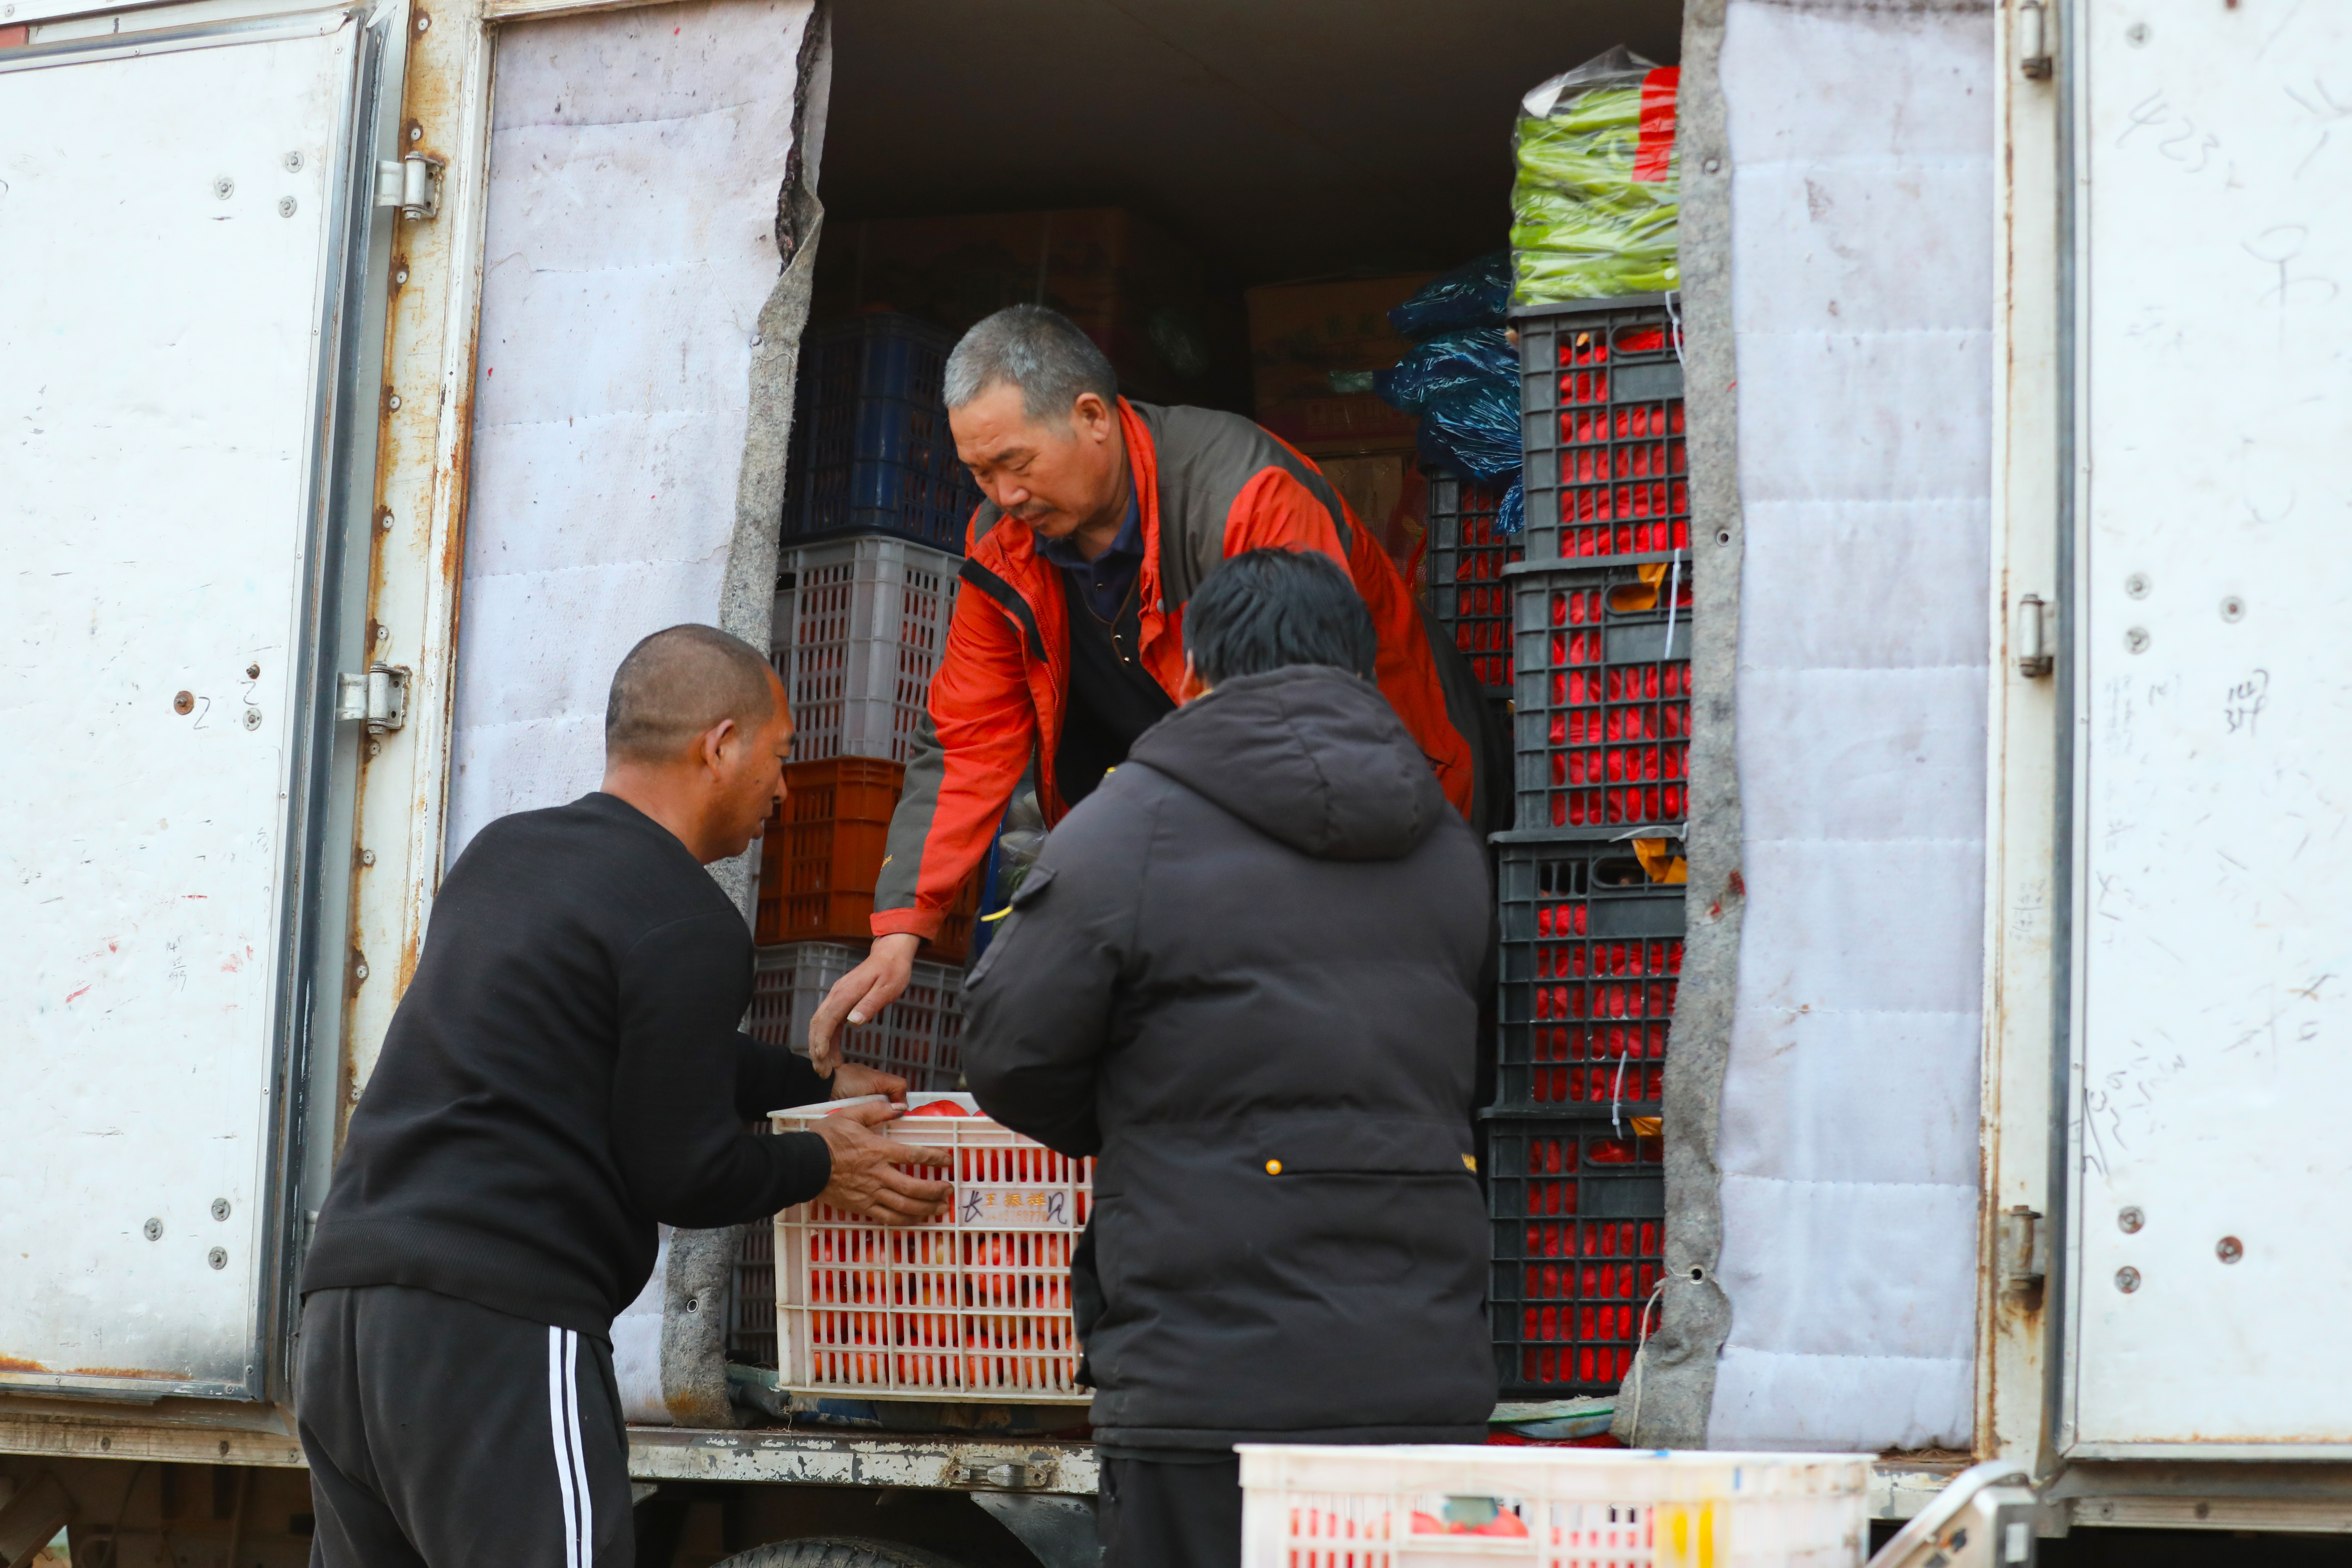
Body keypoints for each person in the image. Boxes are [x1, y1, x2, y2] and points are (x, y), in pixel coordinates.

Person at [294, 624, 953, 1568]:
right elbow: (685, 1173)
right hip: (496, 1323)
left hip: (347, 1310)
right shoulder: (690, 920)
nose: (783, 789)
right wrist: (823, 1160)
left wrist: (809, 1082)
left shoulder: (506, 854)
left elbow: (620, 1040)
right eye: (779, 756)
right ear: (720, 745)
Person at [958, 549, 1498, 1568]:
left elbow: (1011, 1054)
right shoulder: (1448, 846)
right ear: (1361, 663)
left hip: (1207, 1381)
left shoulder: (1130, 825)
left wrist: (1145, 1118)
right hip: (1422, 1371)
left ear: (1195, 667)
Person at [809, 304, 1501, 1065]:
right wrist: (901, 929)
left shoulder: (1245, 494)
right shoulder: (1002, 547)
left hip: (1389, 792)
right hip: (1213, 831)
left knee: (1382, 1044)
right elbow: (965, 738)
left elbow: (1306, 719)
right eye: (980, 473)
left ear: (1092, 417)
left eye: (1017, 462)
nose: (1004, 494)